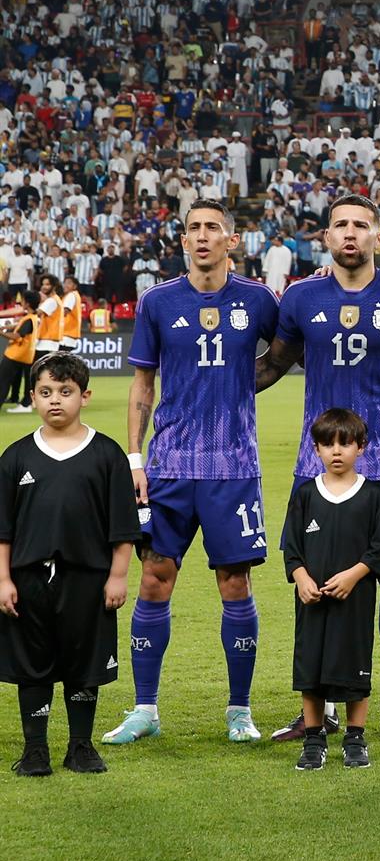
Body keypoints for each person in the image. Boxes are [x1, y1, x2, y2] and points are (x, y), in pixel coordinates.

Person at [257, 194, 380, 742]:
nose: (350, 233)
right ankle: (314, 705)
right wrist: (206, 385)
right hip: (315, 460)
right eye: (340, 224)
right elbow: (274, 363)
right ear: (326, 237)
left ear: (378, 237)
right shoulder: (300, 298)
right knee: (315, 578)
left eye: (361, 225)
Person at [106, 200, 281, 748]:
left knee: (235, 582)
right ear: (183, 240)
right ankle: (144, 709)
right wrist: (136, 458)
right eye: (193, 228)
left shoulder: (258, 300)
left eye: (213, 228)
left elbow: (283, 353)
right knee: (155, 579)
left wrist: (235, 389)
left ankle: (239, 711)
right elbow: (142, 384)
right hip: (169, 468)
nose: (202, 236)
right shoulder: (158, 301)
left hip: (234, 468)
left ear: (232, 240)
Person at [0, 353, 140, 777]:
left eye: (65, 392)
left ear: (85, 396)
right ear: (33, 397)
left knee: (85, 662)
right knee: (32, 663)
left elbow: (123, 527)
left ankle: (80, 746)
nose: (55, 400)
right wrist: (3, 578)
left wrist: (117, 576)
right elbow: (3, 528)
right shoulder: (16, 457)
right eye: (45, 393)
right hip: (29, 580)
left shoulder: (106, 454)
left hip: (88, 579)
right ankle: (36, 749)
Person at [281, 408, 380, 771]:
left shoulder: (374, 495)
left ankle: (355, 739)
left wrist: (353, 575)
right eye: (328, 444)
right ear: (316, 449)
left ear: (362, 447)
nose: (337, 451)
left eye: (345, 443)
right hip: (312, 601)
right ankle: (314, 740)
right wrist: (301, 579)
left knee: (355, 668)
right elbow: (292, 548)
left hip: (354, 601)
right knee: (310, 668)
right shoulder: (305, 495)